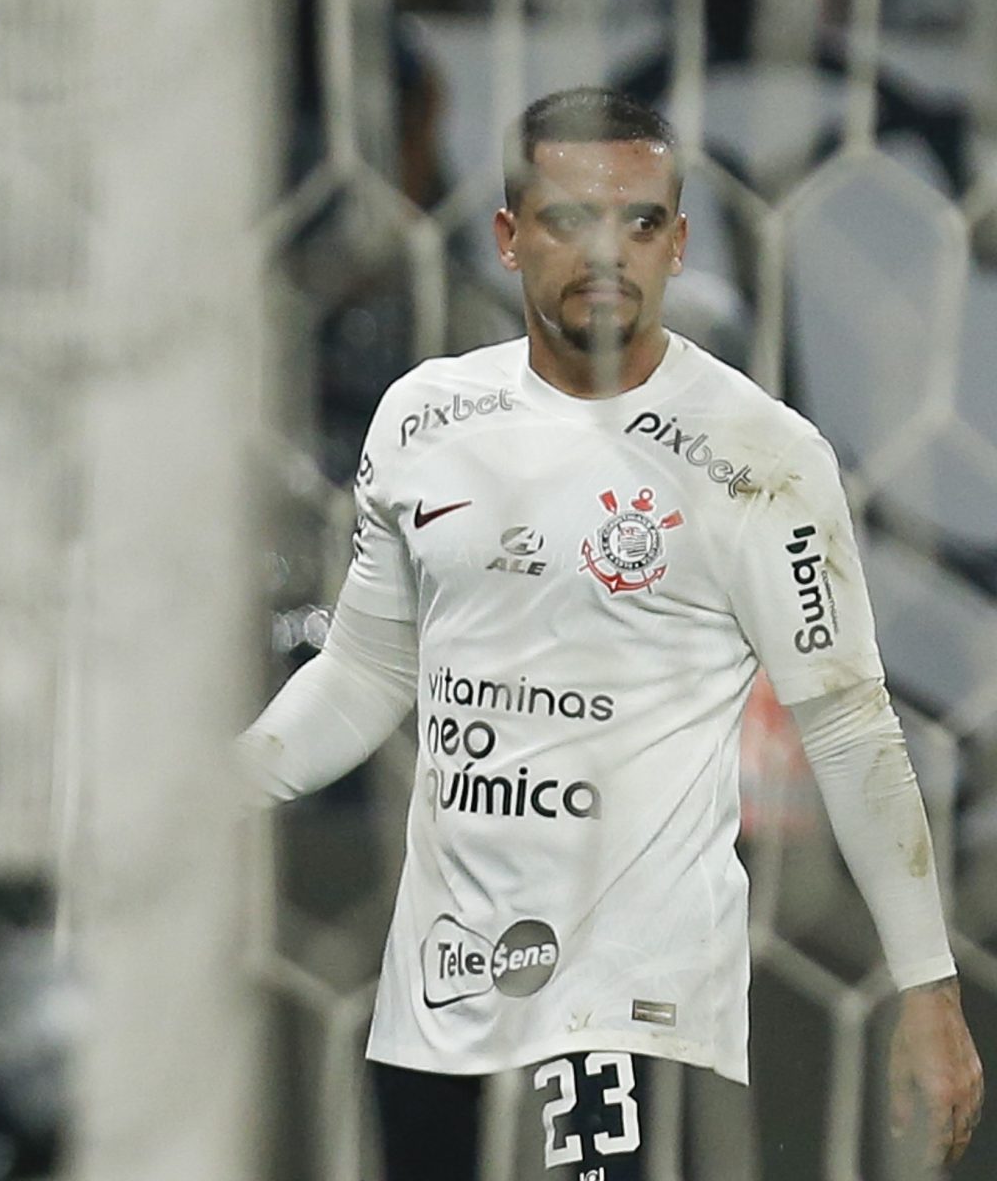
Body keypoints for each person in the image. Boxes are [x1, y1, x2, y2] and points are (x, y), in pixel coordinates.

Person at [239, 87, 983, 1178]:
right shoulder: (423, 421)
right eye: (567, 221)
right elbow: (360, 675)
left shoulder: (760, 458)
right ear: (507, 237)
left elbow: (851, 729)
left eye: (638, 223)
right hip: (439, 984)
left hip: (627, 995)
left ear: (677, 243)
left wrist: (927, 988)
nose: (607, 255)